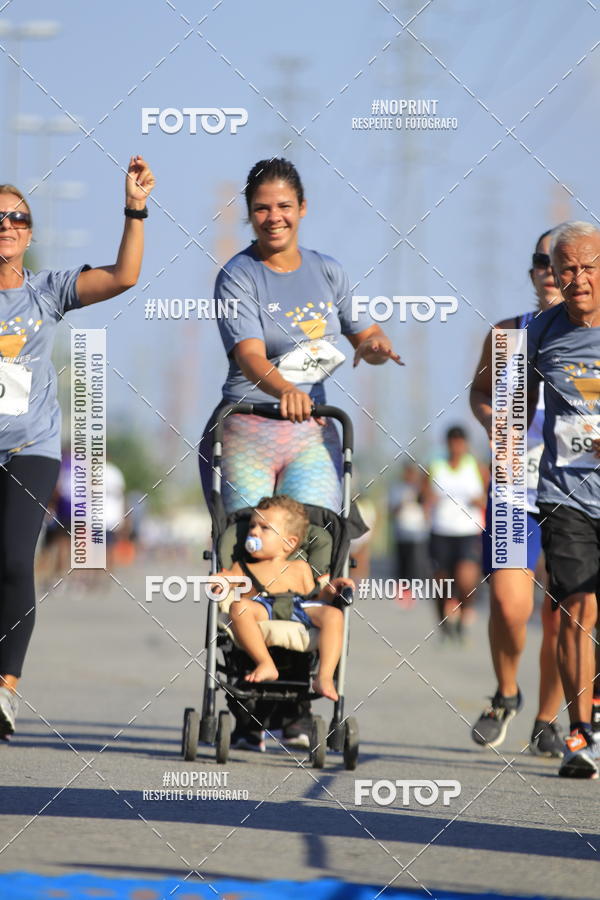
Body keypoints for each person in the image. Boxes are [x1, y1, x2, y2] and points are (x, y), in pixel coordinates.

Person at [199, 157, 401, 748]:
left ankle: (298, 703)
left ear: (302, 210)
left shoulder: (329, 272)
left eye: (284, 206)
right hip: (248, 428)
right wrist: (285, 391)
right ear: (249, 214)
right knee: (249, 555)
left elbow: (359, 331)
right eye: (262, 207)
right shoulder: (238, 276)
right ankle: (245, 705)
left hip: (313, 433)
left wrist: (375, 342)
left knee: (314, 554)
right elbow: (250, 356)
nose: (273, 217)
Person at [0, 156, 155, 739]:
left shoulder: (46, 291)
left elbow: (123, 277)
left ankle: (5, 688)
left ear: (31, 232)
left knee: (16, 561)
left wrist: (134, 208)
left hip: (30, 449)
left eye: (19, 217)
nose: (8, 225)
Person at [469, 228, 564, 755]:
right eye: (542, 260)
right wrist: (492, 422)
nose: (551, 270)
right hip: (513, 489)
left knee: (563, 613)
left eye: (564, 262)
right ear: (532, 271)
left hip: (576, 492)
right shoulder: (506, 335)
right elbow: (480, 392)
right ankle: (507, 693)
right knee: (509, 605)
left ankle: (548, 719)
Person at [526, 221, 600, 777]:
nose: (579, 280)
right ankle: (579, 736)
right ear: (553, 275)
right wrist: (505, 451)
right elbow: (507, 404)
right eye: (567, 268)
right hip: (564, 493)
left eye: (590, 266)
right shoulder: (538, 333)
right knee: (577, 608)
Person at [219, 495, 351, 705]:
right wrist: (221, 581)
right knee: (239, 607)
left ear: (289, 543)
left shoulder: (300, 567)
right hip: (263, 606)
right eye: (252, 525)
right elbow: (228, 581)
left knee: (334, 615)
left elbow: (315, 596)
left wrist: (332, 589)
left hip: (299, 606)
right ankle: (265, 663)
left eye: (264, 528)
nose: (253, 531)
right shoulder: (243, 567)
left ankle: (324, 677)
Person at [423, 425, 488, 638]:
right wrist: (427, 502)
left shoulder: (475, 467)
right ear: (448, 443)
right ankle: (443, 618)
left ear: (465, 444)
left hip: (467, 531)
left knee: (466, 578)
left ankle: (464, 609)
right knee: (441, 581)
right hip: (441, 530)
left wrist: (479, 500)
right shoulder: (436, 466)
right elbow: (423, 495)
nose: (456, 446)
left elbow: (489, 496)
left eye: (460, 442)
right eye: (453, 442)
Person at [389, 460, 429, 606]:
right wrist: (404, 502)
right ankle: (401, 593)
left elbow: (427, 507)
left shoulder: (421, 489)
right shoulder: (397, 488)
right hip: (401, 532)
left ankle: (412, 592)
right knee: (402, 564)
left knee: (416, 564)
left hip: (418, 533)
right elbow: (392, 510)